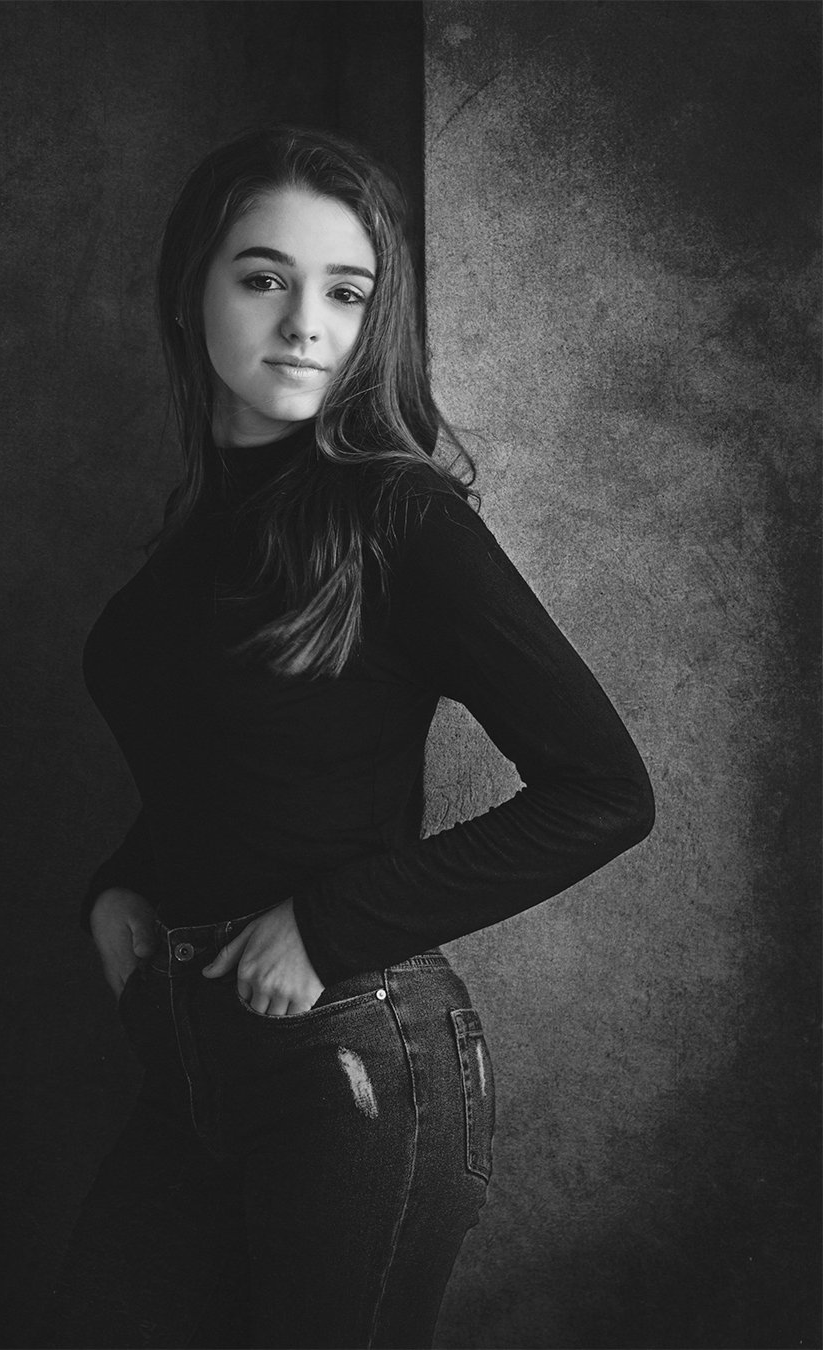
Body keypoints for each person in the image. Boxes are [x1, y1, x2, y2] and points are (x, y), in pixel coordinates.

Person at [47, 125, 654, 1350]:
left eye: (346, 292)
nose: (305, 324)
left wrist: (332, 925)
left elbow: (603, 791)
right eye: (263, 278)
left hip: (351, 1063)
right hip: (188, 1056)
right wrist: (120, 884)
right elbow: (244, 770)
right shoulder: (195, 535)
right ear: (190, 291)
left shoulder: (399, 517)